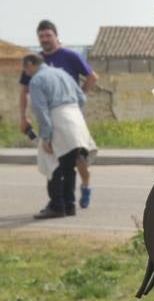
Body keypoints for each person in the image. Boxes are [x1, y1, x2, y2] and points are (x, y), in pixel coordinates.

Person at [18, 20, 98, 208]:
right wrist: (23, 116)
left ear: (56, 36)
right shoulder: (35, 60)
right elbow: (24, 90)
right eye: (41, 36)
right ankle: (62, 202)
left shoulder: (69, 56)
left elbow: (92, 77)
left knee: (76, 158)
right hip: (52, 116)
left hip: (68, 115)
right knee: (58, 159)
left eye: (48, 35)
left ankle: (83, 187)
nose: (45, 39)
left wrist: (76, 105)